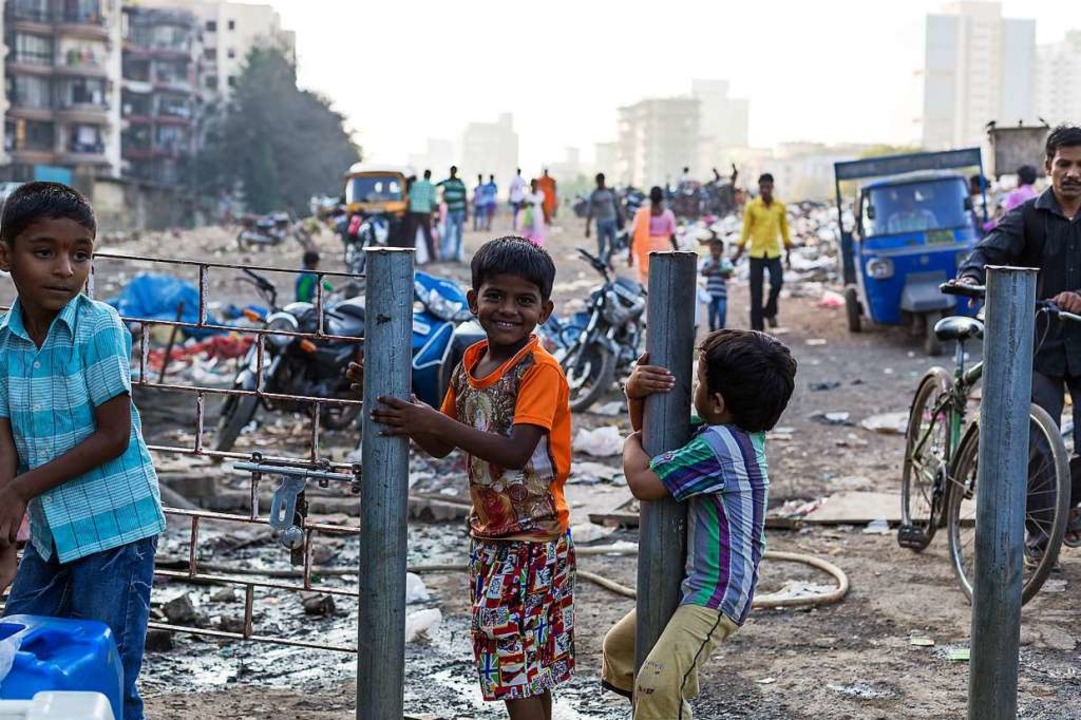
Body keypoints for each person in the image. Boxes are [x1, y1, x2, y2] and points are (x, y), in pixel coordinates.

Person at [346, 237, 574, 720]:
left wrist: (433, 421)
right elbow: (439, 443)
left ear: (545, 310)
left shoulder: (540, 371)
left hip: (532, 539)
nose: (507, 309)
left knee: (518, 666)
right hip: (492, 536)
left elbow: (516, 450)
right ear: (473, 302)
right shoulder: (469, 365)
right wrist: (397, 401)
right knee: (519, 664)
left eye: (524, 300)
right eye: (495, 296)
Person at [0, 182, 167, 720]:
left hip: (115, 529)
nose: (65, 270)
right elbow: (4, 435)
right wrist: (5, 528)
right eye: (44, 252)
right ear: (5, 256)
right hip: (52, 533)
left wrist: (22, 490)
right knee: (23, 651)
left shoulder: (98, 328)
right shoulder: (3, 342)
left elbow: (113, 435)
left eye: (81, 255)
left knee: (109, 669)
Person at [602, 329, 797, 719]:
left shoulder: (719, 447)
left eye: (698, 380)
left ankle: (661, 703)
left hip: (716, 594)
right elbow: (657, 442)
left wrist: (628, 441)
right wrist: (634, 394)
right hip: (692, 582)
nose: (692, 385)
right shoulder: (728, 432)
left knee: (657, 683)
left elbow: (643, 480)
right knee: (621, 651)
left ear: (718, 401)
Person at [954, 124, 1081, 553]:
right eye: (1064, 163)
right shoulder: (1027, 216)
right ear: (1049, 166)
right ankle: (1041, 536)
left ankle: (1068, 510)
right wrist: (972, 274)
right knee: (1039, 443)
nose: (1072, 173)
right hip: (1040, 348)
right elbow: (988, 251)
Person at [734, 173, 793, 331]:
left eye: (768, 187)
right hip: (756, 254)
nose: (765, 190)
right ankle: (757, 328)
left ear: (772, 187)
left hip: (774, 252)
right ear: (759, 188)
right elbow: (745, 230)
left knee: (777, 283)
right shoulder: (752, 207)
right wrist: (739, 250)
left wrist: (788, 249)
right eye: (762, 187)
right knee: (756, 293)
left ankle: (770, 311)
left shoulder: (780, 207)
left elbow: (784, 229)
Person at [628, 186, 677, 285]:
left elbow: (632, 235)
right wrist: (677, 253)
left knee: (646, 281)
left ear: (650, 197)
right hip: (663, 249)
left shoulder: (641, 214)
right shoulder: (668, 214)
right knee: (661, 278)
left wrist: (630, 254)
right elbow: (673, 236)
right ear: (662, 198)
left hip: (646, 249)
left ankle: (647, 298)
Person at [585, 173, 622, 263]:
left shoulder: (610, 192)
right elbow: (590, 212)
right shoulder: (594, 195)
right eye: (599, 181)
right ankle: (602, 262)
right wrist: (587, 227)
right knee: (602, 245)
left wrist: (622, 218)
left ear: (603, 180)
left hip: (612, 220)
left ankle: (607, 259)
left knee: (613, 243)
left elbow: (617, 206)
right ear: (597, 182)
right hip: (601, 222)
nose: (600, 183)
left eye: (601, 181)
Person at [700, 236, 734, 331]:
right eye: (714, 250)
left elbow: (728, 276)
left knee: (722, 313)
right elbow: (703, 272)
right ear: (710, 250)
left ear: (722, 250)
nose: (716, 252)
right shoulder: (708, 261)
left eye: (718, 250)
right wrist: (712, 267)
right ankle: (712, 330)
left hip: (722, 294)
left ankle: (721, 332)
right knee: (711, 315)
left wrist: (722, 269)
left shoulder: (725, 262)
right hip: (710, 294)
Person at [438, 166, 469, 262]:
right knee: (448, 232)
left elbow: (464, 199)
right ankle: (443, 255)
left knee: (458, 233)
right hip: (451, 211)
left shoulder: (460, 183)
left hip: (459, 211)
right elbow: (437, 185)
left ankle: (457, 254)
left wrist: (466, 212)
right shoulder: (446, 183)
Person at [408, 169, 438, 261]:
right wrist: (432, 212)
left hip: (414, 211)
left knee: (412, 235)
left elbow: (410, 197)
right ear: (429, 176)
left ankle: (411, 257)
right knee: (427, 234)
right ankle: (432, 256)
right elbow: (432, 201)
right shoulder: (431, 186)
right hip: (425, 212)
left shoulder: (415, 185)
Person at [521, 178, 547, 247]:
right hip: (529, 216)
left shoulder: (541, 194)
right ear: (531, 185)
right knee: (529, 233)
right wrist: (528, 204)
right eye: (534, 184)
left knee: (538, 233)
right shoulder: (527, 196)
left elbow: (544, 206)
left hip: (538, 215)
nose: (535, 186)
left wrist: (547, 217)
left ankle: (537, 247)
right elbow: (522, 206)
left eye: (536, 184)